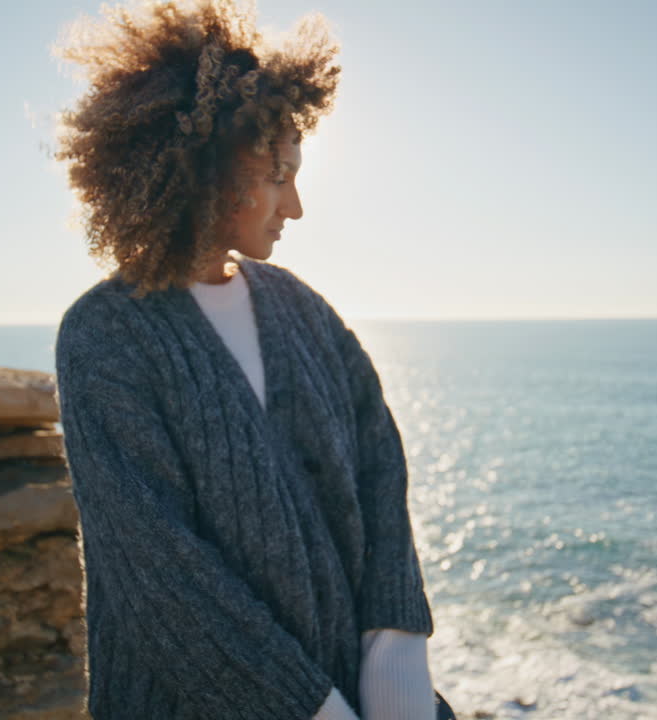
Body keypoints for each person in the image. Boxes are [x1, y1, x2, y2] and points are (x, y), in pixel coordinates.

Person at [53, 1, 450, 718]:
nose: (293, 205)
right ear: (199, 169)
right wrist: (315, 710)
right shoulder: (104, 338)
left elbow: (379, 470)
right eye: (277, 173)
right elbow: (163, 581)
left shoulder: (303, 311)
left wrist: (395, 655)